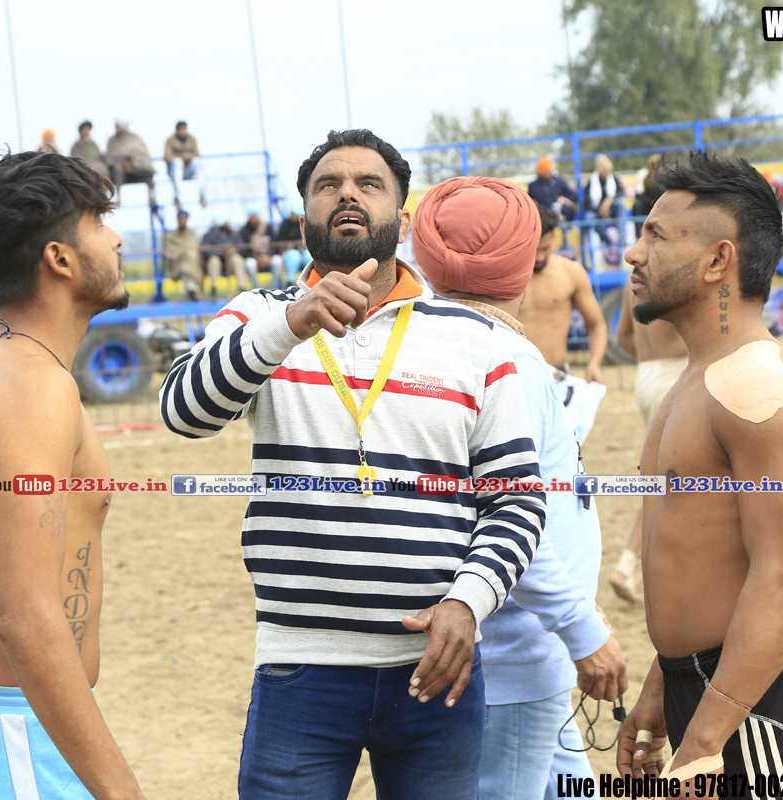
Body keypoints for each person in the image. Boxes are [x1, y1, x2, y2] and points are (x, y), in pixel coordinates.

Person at [161, 128, 547, 800]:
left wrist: (470, 600)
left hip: (437, 668)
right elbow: (183, 411)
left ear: (402, 219)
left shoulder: (475, 340)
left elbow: (516, 498)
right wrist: (290, 325)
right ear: (303, 220)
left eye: (369, 184)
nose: (347, 194)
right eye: (328, 185)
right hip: (300, 669)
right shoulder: (260, 316)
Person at [0, 151, 146, 799]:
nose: (116, 238)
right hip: (17, 737)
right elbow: (22, 616)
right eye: (99, 222)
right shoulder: (34, 388)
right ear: (59, 259)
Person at [616, 152, 783, 783]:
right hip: (707, 691)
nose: (634, 254)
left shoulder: (757, 384)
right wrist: (663, 686)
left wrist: (705, 737)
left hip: (756, 711)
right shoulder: (701, 377)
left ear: (718, 261)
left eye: (656, 236)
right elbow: (700, 562)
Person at [410, 175, 628, 799]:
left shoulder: (426, 349)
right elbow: (511, 517)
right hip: (518, 649)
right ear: (521, 259)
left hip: (527, 637)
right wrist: (579, 625)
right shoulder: (506, 359)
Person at [608, 278, 688, 604]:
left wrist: (650, 362)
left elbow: (622, 338)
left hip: (647, 374)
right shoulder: (674, 271)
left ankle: (628, 566)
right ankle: (628, 565)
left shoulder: (634, 279)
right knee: (670, 480)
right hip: (676, 371)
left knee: (667, 476)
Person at [518, 202, 607, 382]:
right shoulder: (503, 276)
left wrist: (594, 364)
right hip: (515, 376)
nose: (540, 257)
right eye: (534, 251)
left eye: (545, 248)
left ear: (554, 239)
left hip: (558, 375)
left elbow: (596, 325)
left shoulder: (571, 272)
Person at [200, 212, 252, 297]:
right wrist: (224, 251)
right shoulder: (209, 235)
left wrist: (235, 250)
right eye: (225, 220)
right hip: (217, 264)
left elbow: (242, 248)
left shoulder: (234, 233)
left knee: (237, 258)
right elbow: (207, 252)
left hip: (231, 263)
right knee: (214, 260)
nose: (228, 222)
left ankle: (242, 288)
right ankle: (214, 289)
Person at [106, 119, 155, 206]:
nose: (116, 129)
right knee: (117, 169)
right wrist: (124, 162)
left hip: (137, 166)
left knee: (148, 170)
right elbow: (110, 156)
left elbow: (142, 153)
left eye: (118, 127)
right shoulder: (112, 140)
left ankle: (151, 196)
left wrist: (131, 162)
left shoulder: (135, 138)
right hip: (121, 170)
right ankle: (118, 197)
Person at [583, 154, 625, 245]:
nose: (607, 173)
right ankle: (607, 240)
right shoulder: (591, 182)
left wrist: (609, 201)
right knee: (588, 217)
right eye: (604, 171)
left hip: (611, 210)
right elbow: (587, 203)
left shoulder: (613, 179)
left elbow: (621, 193)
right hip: (596, 211)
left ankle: (622, 239)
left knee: (620, 206)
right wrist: (600, 210)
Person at [164, 120, 207, 208]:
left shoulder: (192, 138)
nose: (183, 131)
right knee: (177, 162)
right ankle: (177, 197)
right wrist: (182, 157)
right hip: (175, 170)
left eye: (184, 129)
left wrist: (180, 155)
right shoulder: (170, 140)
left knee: (198, 162)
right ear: (177, 130)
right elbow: (167, 156)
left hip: (188, 169)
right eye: (181, 129)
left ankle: (202, 195)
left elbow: (196, 154)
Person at [164, 208, 203, 300]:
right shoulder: (171, 236)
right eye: (181, 218)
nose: (182, 221)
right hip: (177, 265)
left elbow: (195, 250)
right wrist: (182, 253)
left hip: (193, 265)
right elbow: (169, 253)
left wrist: (184, 252)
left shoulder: (192, 234)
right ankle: (193, 289)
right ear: (177, 220)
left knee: (190, 257)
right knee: (186, 261)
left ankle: (189, 289)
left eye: (184, 218)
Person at [528, 156, 578, 220]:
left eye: (549, 171)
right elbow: (530, 199)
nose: (548, 174)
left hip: (561, 212)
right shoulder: (533, 186)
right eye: (545, 172)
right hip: (544, 214)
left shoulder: (559, 181)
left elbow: (572, 196)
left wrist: (564, 200)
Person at [275, 202, 308, 285]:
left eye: (293, 213)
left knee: (308, 256)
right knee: (294, 256)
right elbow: (280, 240)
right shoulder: (284, 225)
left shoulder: (306, 224)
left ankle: (311, 281)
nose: (291, 215)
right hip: (289, 251)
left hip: (303, 250)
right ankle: (289, 281)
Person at [239, 207, 272, 287]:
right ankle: (257, 288)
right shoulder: (244, 230)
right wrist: (257, 258)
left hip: (268, 257)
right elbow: (245, 250)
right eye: (251, 215)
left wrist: (268, 256)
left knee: (277, 261)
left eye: (255, 215)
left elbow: (274, 245)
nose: (254, 217)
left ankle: (274, 287)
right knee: (250, 263)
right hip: (253, 258)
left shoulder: (267, 227)